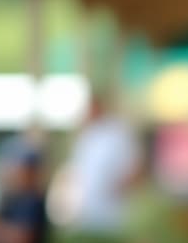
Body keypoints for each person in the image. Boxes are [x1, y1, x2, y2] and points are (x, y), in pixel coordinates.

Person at [60, 93, 141, 233]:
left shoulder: (119, 131)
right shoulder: (85, 136)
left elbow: (135, 166)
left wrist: (121, 187)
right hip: (88, 211)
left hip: (114, 212)